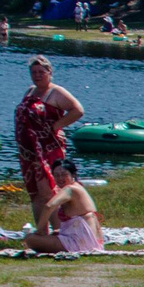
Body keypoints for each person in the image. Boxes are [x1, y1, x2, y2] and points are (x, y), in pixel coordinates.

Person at [13, 56, 85, 226]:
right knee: (35, 192)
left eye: (41, 72)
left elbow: (78, 110)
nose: (37, 75)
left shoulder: (56, 92)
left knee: (48, 191)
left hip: (48, 149)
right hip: (29, 150)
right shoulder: (30, 91)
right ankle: (41, 231)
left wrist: (56, 126)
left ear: (49, 72)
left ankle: (60, 232)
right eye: (34, 72)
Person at [20, 161, 104, 254]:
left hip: (81, 243)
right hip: (90, 241)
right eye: (57, 175)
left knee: (30, 239)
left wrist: (39, 231)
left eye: (64, 175)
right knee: (53, 233)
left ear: (73, 174)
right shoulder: (78, 187)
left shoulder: (70, 189)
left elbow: (49, 206)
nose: (60, 178)